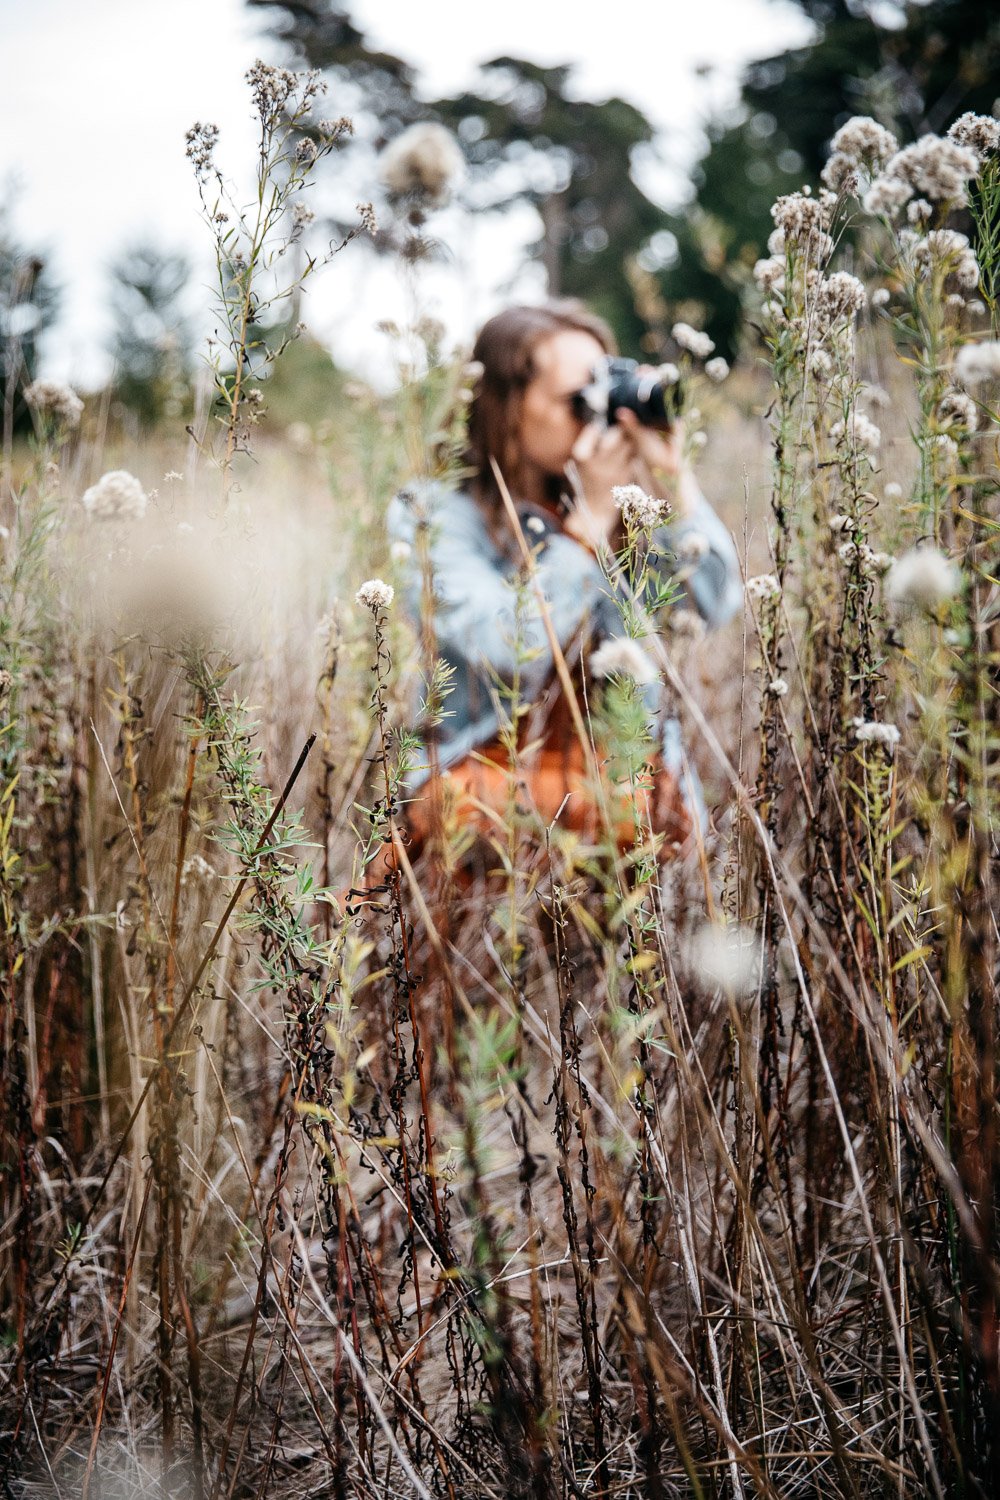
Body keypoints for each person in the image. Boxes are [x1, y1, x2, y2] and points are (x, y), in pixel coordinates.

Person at [386, 300, 742, 869]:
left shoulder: (620, 507)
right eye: (577, 400)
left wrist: (675, 484)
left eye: (605, 390)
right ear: (506, 407)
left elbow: (710, 605)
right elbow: (507, 648)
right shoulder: (431, 514)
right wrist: (584, 528)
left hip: (624, 775)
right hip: (485, 778)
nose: (595, 415)